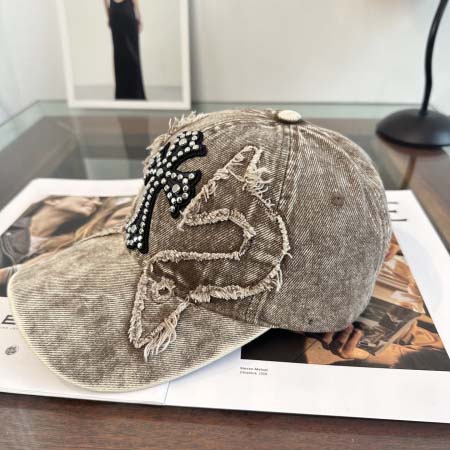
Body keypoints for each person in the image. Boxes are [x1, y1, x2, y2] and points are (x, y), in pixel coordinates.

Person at [103, 0, 146, 100]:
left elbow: (104, 1)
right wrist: (139, 17)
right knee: (133, 53)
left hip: (114, 12)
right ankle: (136, 94)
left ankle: (121, 94)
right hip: (127, 10)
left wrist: (109, 16)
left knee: (119, 54)